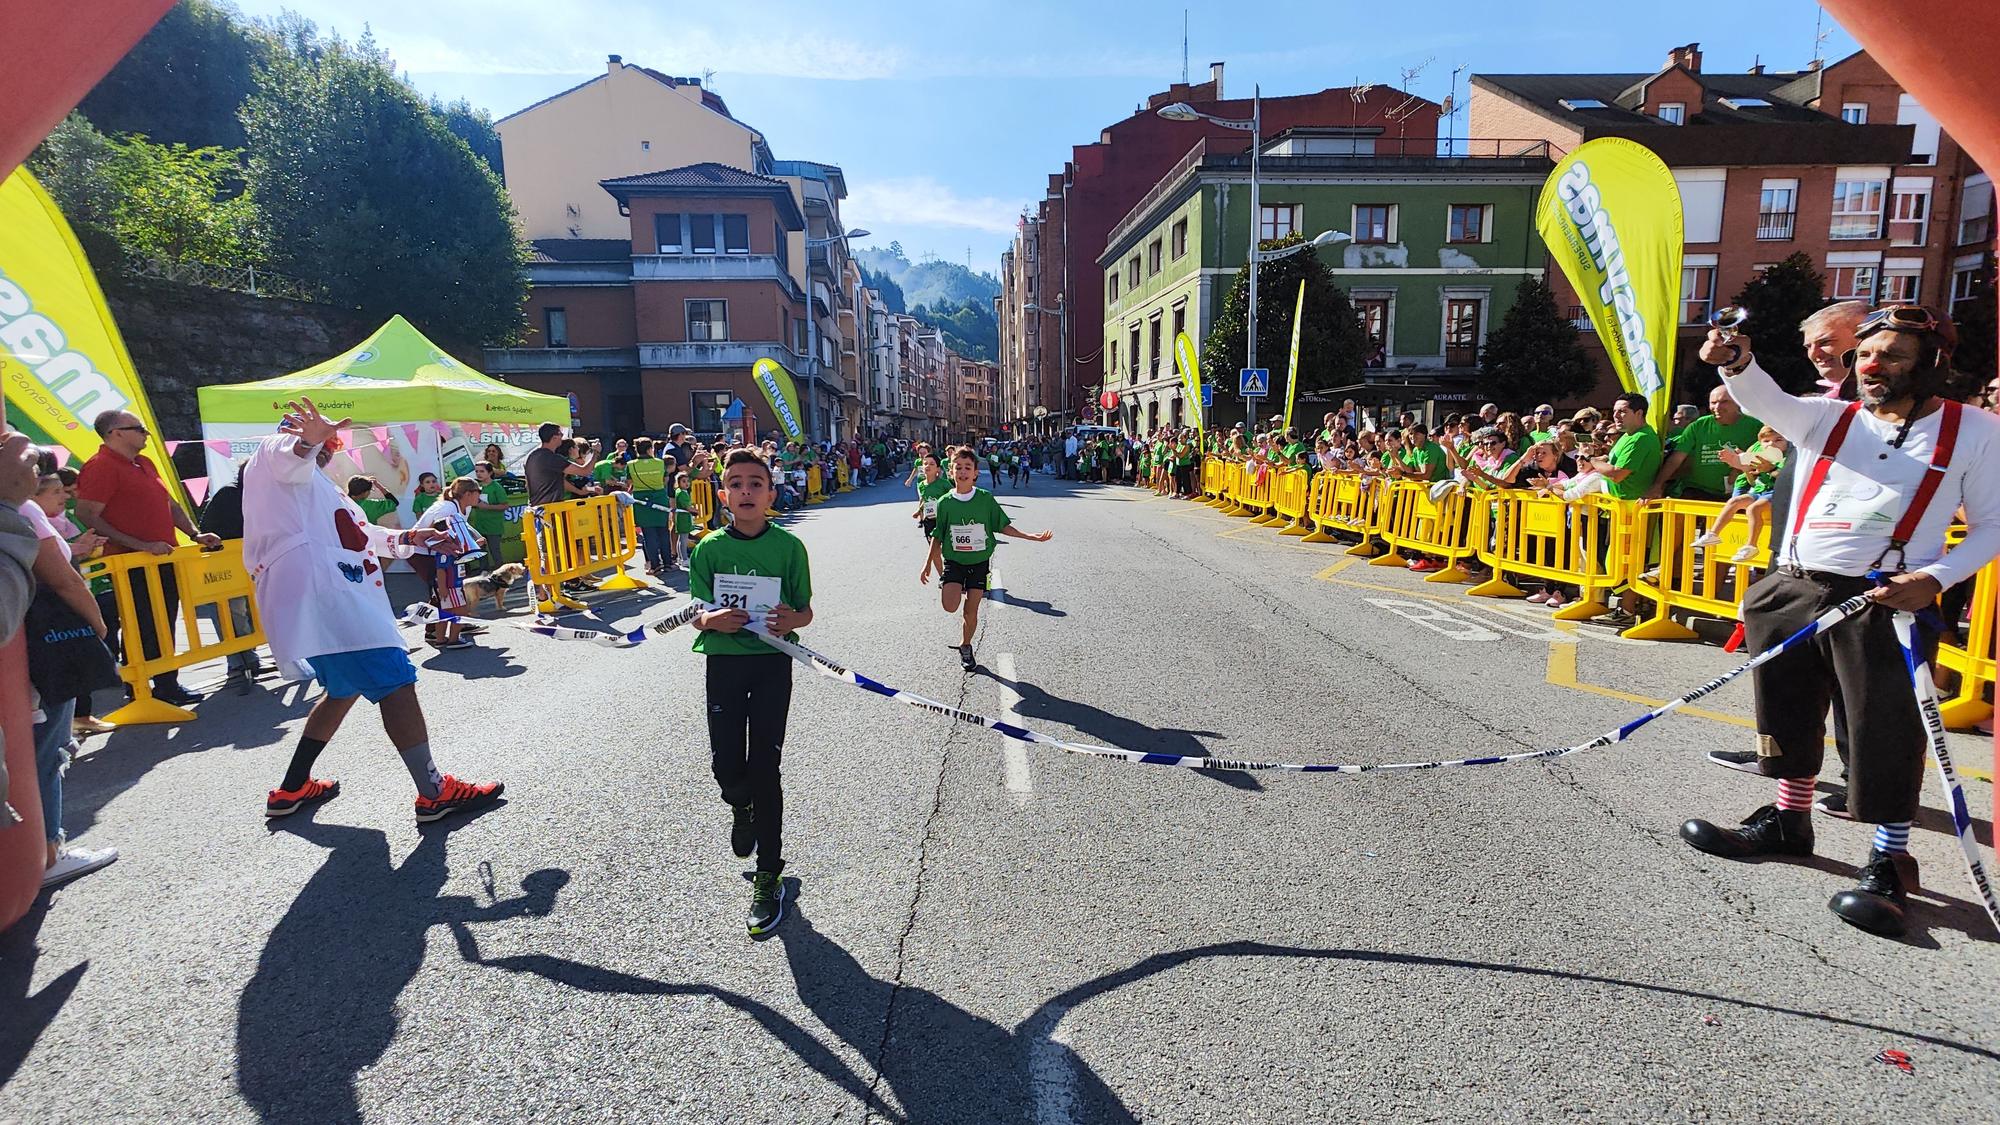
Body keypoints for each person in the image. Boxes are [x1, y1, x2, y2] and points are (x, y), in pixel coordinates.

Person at [1679, 305, 2000, 937]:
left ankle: (1888, 856)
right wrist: (1736, 359)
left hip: (1886, 599)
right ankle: (1787, 820)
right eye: (1865, 356)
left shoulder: (1976, 431)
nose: (1872, 367)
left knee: (1884, 727)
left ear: (1933, 364)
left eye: (1893, 357)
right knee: (1785, 708)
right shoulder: (1830, 417)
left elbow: (1993, 525)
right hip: (1794, 586)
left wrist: (1934, 579)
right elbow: (1765, 398)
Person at [246, 397, 505, 825]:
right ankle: (434, 793)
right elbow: (288, 455)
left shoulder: (318, 486)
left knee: (343, 690)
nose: (329, 443)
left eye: (332, 438)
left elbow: (361, 533)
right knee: (397, 685)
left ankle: (291, 787)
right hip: (332, 603)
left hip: (334, 602)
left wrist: (414, 537)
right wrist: (304, 441)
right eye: (321, 436)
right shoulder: (274, 457)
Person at [688, 447, 814, 935]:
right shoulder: (709, 549)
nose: (746, 490)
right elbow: (695, 610)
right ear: (723, 495)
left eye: (755, 483)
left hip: (770, 665)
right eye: (736, 483)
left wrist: (791, 619)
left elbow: (805, 611)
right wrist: (709, 618)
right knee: (726, 767)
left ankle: (769, 875)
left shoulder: (788, 548)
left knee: (766, 768)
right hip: (723, 662)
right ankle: (740, 806)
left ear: (770, 494)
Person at [74, 409, 220, 707]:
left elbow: (169, 503)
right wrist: (140, 544)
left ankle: (163, 683)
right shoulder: (101, 466)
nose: (146, 433)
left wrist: (194, 534)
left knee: (161, 619)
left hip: (160, 556)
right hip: (131, 561)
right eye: (138, 428)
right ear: (115, 433)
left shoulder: (144, 462)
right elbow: (87, 514)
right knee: (143, 622)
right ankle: (147, 685)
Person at [22, 471, 120, 887]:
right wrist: (96, 629)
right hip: (40, 646)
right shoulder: (22, 510)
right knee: (47, 750)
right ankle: (47, 853)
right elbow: (63, 578)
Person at [920, 447, 1053, 670]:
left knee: (971, 612)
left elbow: (1002, 525)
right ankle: (958, 593)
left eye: (967, 468)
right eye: (958, 467)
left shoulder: (985, 499)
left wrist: (1029, 536)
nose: (962, 472)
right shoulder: (944, 503)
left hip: (979, 563)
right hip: (954, 562)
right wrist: (927, 564)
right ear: (951, 472)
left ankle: (966, 646)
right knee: (949, 605)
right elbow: (938, 535)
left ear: (975, 474)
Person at [194, 462, 268, 686]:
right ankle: (238, 661)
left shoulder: (260, 497)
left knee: (248, 610)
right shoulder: (230, 494)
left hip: (249, 562)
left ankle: (249, 655)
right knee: (231, 611)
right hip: (224, 563)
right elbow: (209, 526)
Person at [1650, 384, 1763, 502]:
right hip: (1698, 491)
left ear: (1737, 401)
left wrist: (1741, 466)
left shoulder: (1755, 426)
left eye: (1724, 402)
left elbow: (1765, 458)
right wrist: (1657, 484)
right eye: (1713, 403)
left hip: (1738, 493)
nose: (1717, 407)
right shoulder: (1698, 426)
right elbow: (1676, 459)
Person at [1691, 427, 1787, 563]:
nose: (1771, 444)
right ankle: (1713, 534)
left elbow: (1787, 478)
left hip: (1777, 493)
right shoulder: (1760, 453)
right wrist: (1735, 461)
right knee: (1735, 501)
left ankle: (1751, 545)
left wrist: (1770, 469)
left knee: (1753, 509)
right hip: (1759, 491)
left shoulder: (1789, 456)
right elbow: (1747, 469)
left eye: (1778, 440)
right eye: (1766, 441)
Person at [912, 453, 949, 543]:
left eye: (932, 464)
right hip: (929, 520)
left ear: (938, 469)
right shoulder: (921, 485)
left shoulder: (944, 484)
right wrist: (918, 511)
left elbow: (953, 497)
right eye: (925, 464)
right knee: (933, 550)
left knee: (943, 548)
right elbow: (924, 499)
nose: (928, 466)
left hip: (943, 520)